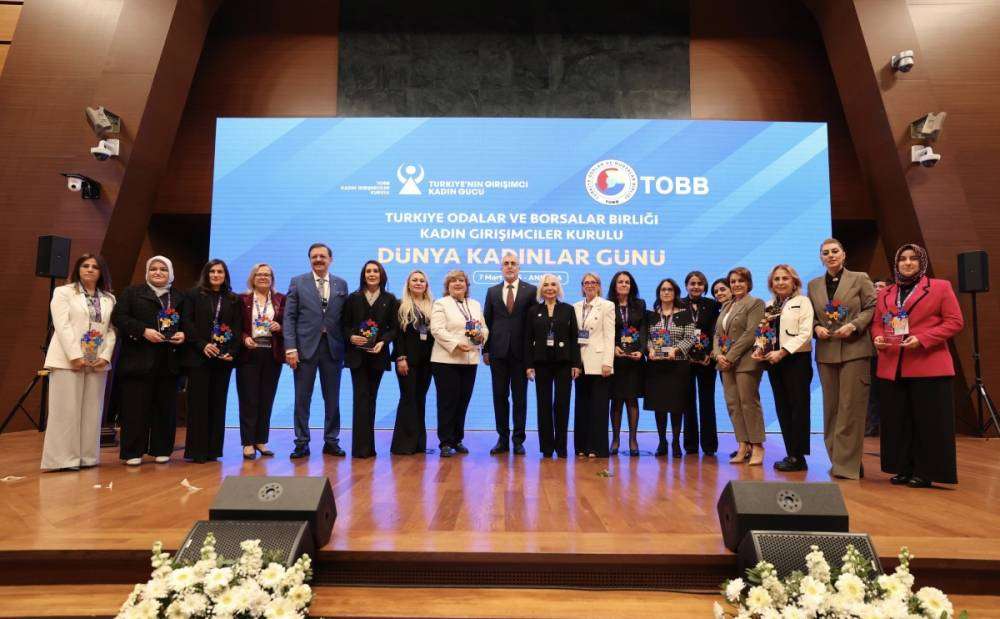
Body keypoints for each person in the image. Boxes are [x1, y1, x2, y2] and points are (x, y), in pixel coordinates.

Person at [873, 244, 963, 488]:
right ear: (896, 263)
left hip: (928, 365)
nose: (907, 263)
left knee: (929, 422)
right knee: (898, 421)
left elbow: (955, 322)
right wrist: (877, 337)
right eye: (902, 259)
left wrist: (923, 339)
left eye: (913, 258)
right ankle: (903, 468)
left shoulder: (940, 287)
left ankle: (926, 472)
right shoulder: (886, 292)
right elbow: (878, 323)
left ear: (921, 262)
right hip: (893, 364)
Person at [806, 238, 875, 480]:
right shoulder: (813, 285)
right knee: (831, 409)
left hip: (855, 349)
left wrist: (854, 325)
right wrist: (816, 327)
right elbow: (811, 316)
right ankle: (840, 459)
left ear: (844, 254)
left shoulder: (860, 278)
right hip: (826, 352)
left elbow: (872, 307)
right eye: (825, 253)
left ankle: (847, 464)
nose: (831, 255)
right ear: (821, 258)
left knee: (850, 408)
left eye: (835, 251)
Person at [41, 254, 116, 471]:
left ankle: (87, 457)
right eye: (85, 266)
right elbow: (62, 325)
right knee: (65, 411)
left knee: (92, 412)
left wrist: (105, 356)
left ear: (101, 272)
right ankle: (62, 460)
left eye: (95, 267)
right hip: (67, 360)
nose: (90, 269)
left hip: (96, 362)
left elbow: (111, 330)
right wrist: (75, 355)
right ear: (78, 269)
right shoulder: (63, 292)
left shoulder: (109, 298)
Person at [111, 256, 186, 466]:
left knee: (165, 408)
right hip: (138, 360)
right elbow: (119, 317)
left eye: (163, 269)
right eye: (153, 269)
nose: (158, 272)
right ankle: (132, 451)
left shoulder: (179, 297)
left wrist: (184, 334)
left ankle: (162, 449)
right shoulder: (132, 293)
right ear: (147, 272)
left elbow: (187, 323)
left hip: (169, 361)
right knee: (134, 408)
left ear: (170, 273)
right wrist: (143, 331)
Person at [284, 243, 349, 459]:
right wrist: (290, 348)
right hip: (304, 350)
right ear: (310, 259)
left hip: (333, 349)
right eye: (314, 257)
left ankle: (331, 441)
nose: (318, 260)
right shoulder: (297, 282)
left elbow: (344, 319)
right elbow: (289, 317)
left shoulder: (341, 284)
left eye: (322, 256)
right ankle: (301, 442)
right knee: (302, 399)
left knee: (332, 399)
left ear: (330, 259)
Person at [754, 265, 814, 472]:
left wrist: (783, 352)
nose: (780, 282)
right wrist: (759, 349)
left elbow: (805, 333)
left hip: (796, 360)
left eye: (785, 278)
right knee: (783, 408)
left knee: (798, 408)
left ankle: (799, 457)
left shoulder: (803, 302)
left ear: (794, 282)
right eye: (776, 279)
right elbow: (763, 332)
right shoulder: (769, 305)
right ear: (771, 284)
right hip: (774, 361)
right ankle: (791, 454)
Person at [181, 259, 242, 463]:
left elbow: (237, 327)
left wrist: (231, 351)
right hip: (199, 357)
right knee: (198, 404)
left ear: (225, 276)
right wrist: (202, 345)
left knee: (218, 404)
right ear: (206, 274)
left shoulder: (233, 299)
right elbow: (187, 322)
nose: (216, 275)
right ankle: (196, 451)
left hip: (222, 360)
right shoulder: (193, 295)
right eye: (212, 271)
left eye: (220, 272)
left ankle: (213, 450)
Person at [342, 260, 398, 458]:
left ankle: (369, 447)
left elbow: (394, 328)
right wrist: (351, 337)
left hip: (377, 356)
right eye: (368, 271)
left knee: (371, 399)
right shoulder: (353, 298)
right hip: (357, 357)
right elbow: (344, 325)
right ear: (363, 275)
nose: (372, 274)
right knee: (360, 399)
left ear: (381, 275)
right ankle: (360, 449)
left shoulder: (390, 299)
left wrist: (383, 342)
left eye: (375, 271)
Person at [482, 253, 537, 455]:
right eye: (506, 263)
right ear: (501, 268)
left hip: (521, 354)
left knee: (520, 399)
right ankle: (502, 439)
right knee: (499, 396)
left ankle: (518, 440)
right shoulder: (492, 291)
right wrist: (485, 350)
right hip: (498, 353)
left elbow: (534, 325)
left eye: (513, 263)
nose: (510, 266)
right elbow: (487, 322)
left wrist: (532, 355)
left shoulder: (531, 290)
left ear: (519, 267)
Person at [430, 269, 488, 457]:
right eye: (453, 281)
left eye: (461, 280)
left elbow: (484, 328)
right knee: (447, 402)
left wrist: (482, 336)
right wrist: (456, 344)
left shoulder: (475, 304)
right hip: (446, 360)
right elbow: (436, 329)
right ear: (447, 286)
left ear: (466, 285)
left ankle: (457, 439)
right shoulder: (441, 303)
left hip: (470, 360)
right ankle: (445, 442)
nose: (457, 283)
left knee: (463, 401)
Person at [524, 274, 582, 458]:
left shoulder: (568, 309)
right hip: (541, 363)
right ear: (541, 289)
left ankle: (561, 447)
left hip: (564, 363)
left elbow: (574, 338)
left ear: (558, 288)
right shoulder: (533, 311)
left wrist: (576, 364)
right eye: (546, 285)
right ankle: (547, 448)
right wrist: (528, 365)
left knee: (562, 404)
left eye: (553, 285)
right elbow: (528, 339)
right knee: (543, 405)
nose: (550, 288)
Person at [713, 267, 765, 466]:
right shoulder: (727, 306)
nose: (736, 284)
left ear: (748, 283)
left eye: (740, 281)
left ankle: (757, 445)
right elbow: (717, 334)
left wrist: (730, 356)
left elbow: (751, 333)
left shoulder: (755, 303)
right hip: (726, 363)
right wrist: (718, 355)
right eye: (733, 281)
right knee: (733, 405)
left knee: (748, 403)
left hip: (745, 362)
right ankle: (743, 445)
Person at [643, 278, 697, 457]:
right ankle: (662, 442)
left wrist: (676, 349)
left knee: (676, 406)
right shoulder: (651, 315)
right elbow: (647, 337)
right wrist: (650, 349)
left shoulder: (685, 314)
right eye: (663, 289)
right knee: (659, 406)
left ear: (675, 293)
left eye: (670, 289)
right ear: (659, 293)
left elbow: (690, 338)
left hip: (677, 366)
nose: (666, 292)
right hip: (656, 367)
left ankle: (675, 442)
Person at [236, 263, 284, 460]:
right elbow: (235, 325)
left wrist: (279, 327)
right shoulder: (242, 299)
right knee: (248, 399)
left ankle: (261, 440)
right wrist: (244, 337)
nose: (263, 277)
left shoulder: (281, 299)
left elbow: (289, 324)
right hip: (249, 353)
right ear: (252, 278)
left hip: (272, 354)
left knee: (266, 398)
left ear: (272, 279)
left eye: (267, 275)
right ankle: (248, 442)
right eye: (259, 274)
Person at [390, 270, 435, 455]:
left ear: (426, 285)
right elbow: (397, 335)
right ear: (408, 284)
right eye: (414, 280)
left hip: (428, 362)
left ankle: (418, 444)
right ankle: (403, 445)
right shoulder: (400, 305)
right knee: (408, 398)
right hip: (407, 361)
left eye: (422, 280)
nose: (418, 283)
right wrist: (400, 357)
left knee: (420, 399)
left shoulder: (433, 306)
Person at [573, 273, 615, 458]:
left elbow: (609, 335)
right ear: (582, 286)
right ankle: (581, 446)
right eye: (586, 283)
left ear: (598, 285)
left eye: (593, 282)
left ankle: (597, 447)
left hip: (599, 362)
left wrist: (608, 362)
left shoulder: (607, 305)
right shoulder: (575, 307)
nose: (589, 285)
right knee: (582, 406)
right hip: (580, 363)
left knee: (599, 407)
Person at [683, 271, 721, 456]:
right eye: (692, 283)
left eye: (699, 284)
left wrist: (709, 355)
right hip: (685, 361)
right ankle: (690, 445)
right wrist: (685, 354)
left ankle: (709, 445)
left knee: (707, 402)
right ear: (686, 286)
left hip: (707, 360)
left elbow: (716, 332)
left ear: (705, 287)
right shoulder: (679, 304)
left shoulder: (713, 304)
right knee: (687, 402)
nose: (696, 286)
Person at [608, 271, 646, 456]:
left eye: (627, 282)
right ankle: (615, 439)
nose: (624, 284)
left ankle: (633, 440)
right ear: (615, 285)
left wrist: (642, 350)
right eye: (620, 282)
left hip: (634, 359)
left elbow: (644, 329)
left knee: (632, 399)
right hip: (615, 359)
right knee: (616, 400)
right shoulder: (608, 305)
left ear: (631, 286)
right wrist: (612, 347)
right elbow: (605, 330)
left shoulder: (640, 304)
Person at [866, 278, 890, 438]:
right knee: (871, 393)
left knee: (887, 392)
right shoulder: (866, 306)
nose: (877, 289)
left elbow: (892, 326)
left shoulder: (889, 306)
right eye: (874, 286)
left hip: (887, 354)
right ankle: (873, 426)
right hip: (870, 355)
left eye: (881, 286)